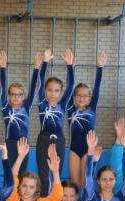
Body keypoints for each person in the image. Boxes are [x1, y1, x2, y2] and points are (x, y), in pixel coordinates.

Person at [36, 48, 74, 191]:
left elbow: (71, 86)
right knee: (44, 174)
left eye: (56, 90)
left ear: (61, 92)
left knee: (56, 173)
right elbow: (39, 84)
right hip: (43, 139)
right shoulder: (42, 103)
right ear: (45, 91)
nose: (53, 93)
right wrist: (45, 62)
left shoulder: (62, 104)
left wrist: (70, 66)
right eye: (50, 90)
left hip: (59, 140)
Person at [0, 50, 41, 175]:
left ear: (23, 96)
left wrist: (36, 68)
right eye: (13, 94)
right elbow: (3, 85)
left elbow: (33, 88)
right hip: (10, 144)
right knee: (10, 174)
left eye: (19, 94)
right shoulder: (6, 108)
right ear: (9, 96)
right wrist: (2, 67)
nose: (16, 97)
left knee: (22, 174)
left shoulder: (26, 107)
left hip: (24, 143)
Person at [66, 50, 106, 187]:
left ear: (90, 98)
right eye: (78, 95)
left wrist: (100, 68)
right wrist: (70, 67)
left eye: (85, 95)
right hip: (74, 149)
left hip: (88, 148)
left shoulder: (92, 109)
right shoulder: (70, 109)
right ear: (74, 97)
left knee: (85, 182)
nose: (82, 97)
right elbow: (70, 87)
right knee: (75, 183)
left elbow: (98, 87)